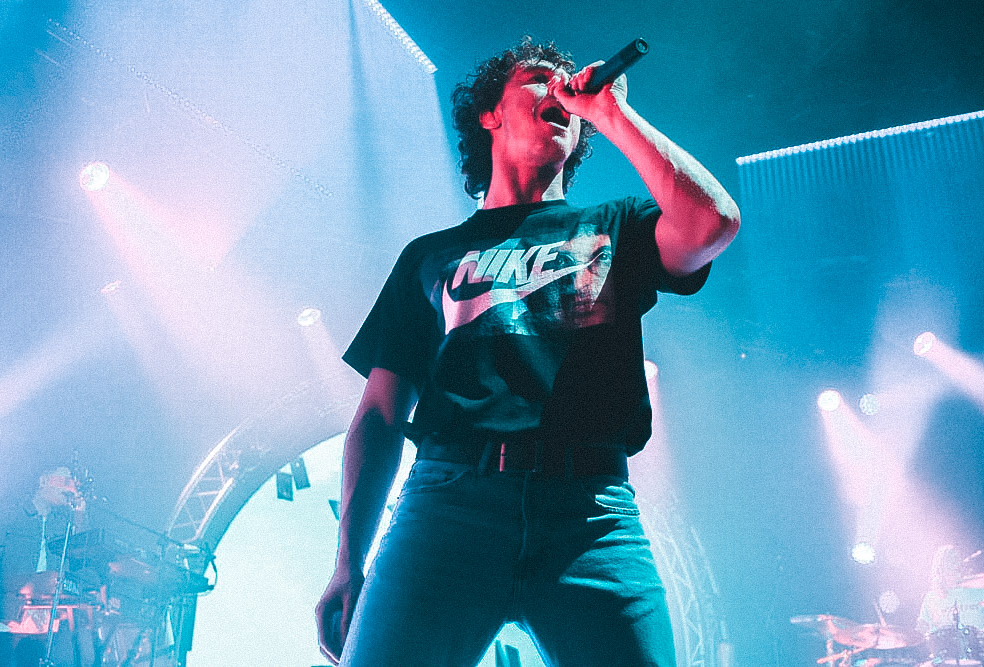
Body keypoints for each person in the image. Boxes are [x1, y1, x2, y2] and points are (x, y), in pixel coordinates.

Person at [315, 36, 740, 666]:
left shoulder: (615, 225)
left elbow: (712, 224)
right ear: (489, 114)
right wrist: (348, 562)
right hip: (448, 504)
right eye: (539, 78)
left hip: (590, 517)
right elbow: (379, 414)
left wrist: (611, 113)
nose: (560, 89)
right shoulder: (430, 256)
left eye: (568, 83)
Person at [916, 545, 984, 665]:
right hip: (945, 660)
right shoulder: (931, 598)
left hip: (981, 657)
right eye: (951, 560)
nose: (957, 564)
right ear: (940, 568)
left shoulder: (981, 591)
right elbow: (921, 631)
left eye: (958, 559)